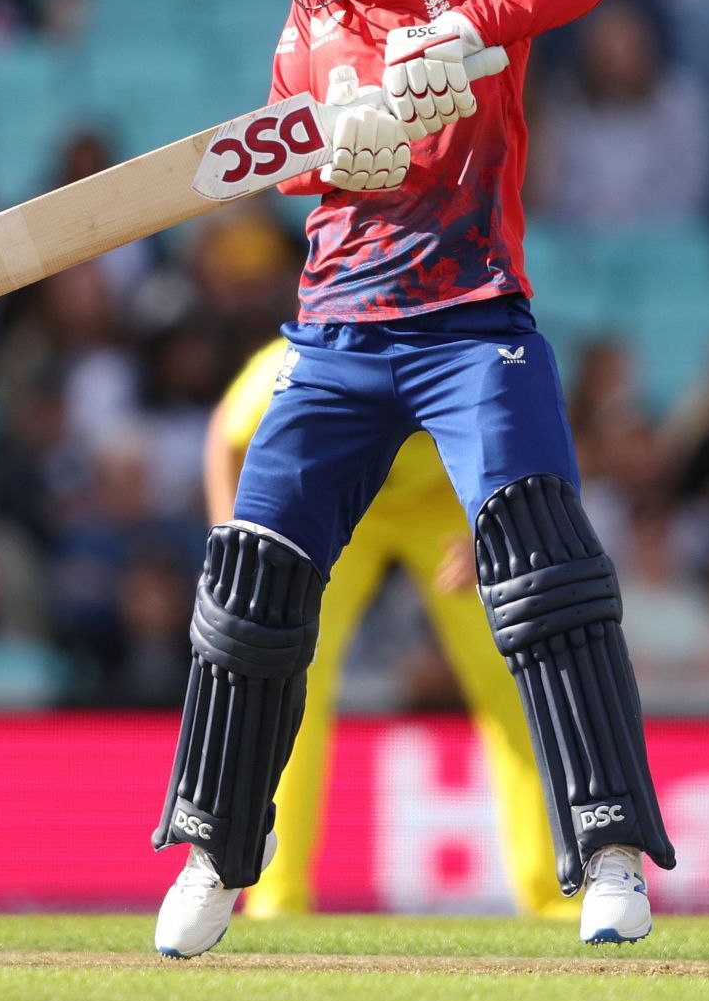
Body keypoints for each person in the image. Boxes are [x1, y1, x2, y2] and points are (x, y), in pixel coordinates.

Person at [151, 0, 674, 958]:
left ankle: (611, 853)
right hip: (334, 334)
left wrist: (466, 35)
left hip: (472, 321)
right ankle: (211, 857)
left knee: (545, 570)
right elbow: (302, 158)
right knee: (252, 585)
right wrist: (345, 151)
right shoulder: (309, 17)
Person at [214, 339, 574, 922]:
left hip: (445, 508)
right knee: (289, 675)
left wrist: (494, 529)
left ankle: (553, 892)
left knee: (512, 675)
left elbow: (530, 438)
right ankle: (275, 894)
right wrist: (231, 539)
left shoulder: (468, 352)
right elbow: (229, 438)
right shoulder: (317, 351)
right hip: (340, 502)